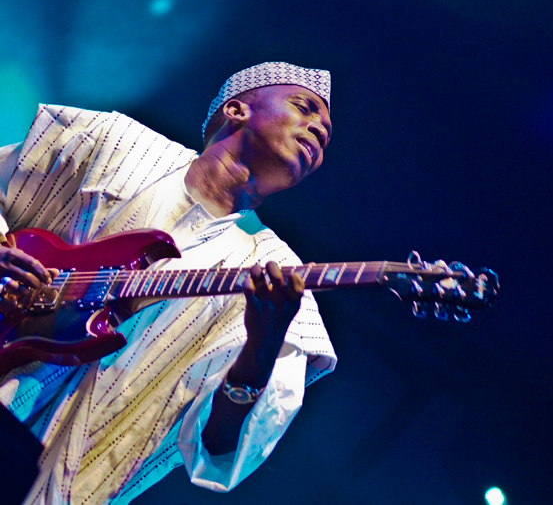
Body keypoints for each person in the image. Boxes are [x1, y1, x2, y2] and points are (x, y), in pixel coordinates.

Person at [0, 62, 336, 505]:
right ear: (236, 109)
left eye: (326, 134)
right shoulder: (117, 144)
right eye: (304, 107)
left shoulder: (280, 276)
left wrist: (263, 345)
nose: (317, 130)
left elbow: (220, 448)